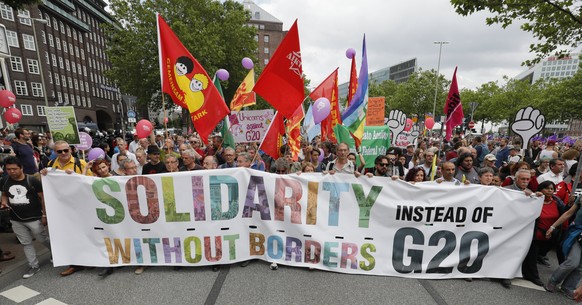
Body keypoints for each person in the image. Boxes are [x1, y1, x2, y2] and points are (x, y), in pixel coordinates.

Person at [0, 156, 50, 279]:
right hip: (16, 219)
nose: (12, 171)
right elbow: (5, 194)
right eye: (8, 169)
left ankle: (56, 253)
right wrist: (4, 202)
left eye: (14, 169)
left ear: (21, 168)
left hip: (34, 217)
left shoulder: (32, 180)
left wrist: (44, 215)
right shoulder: (4, 181)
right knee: (26, 243)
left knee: (42, 239)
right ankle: (33, 265)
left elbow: (43, 198)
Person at [545, 190, 582, 299]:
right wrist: (553, 227)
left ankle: (568, 287)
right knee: (572, 261)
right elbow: (569, 213)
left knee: (580, 267)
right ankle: (553, 280)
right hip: (577, 233)